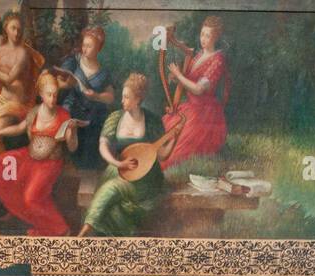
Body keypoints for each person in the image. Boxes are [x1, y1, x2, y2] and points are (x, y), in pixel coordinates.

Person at [79, 74, 174, 237]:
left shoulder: (151, 121)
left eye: (126, 97)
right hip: (119, 170)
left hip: (145, 179)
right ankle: (101, 236)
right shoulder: (115, 118)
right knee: (113, 194)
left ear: (138, 99)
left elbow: (163, 155)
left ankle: (85, 232)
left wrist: (174, 137)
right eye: (122, 96)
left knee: (112, 188)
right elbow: (103, 146)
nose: (122, 100)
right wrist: (118, 164)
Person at [0, 71, 78, 236]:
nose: (53, 99)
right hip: (29, 157)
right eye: (49, 95)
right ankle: (21, 213)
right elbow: (19, 128)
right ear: (41, 94)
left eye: (55, 95)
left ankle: (60, 228)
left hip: (50, 163)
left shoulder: (64, 115)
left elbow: (72, 148)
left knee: (31, 197)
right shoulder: (35, 112)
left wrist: (71, 135)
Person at [162, 15, 229, 169]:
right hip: (191, 108)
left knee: (175, 153)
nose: (203, 39)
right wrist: (177, 77)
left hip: (205, 114)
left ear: (216, 37)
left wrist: (179, 75)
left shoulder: (217, 60)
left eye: (208, 35)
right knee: (165, 133)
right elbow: (187, 82)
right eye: (202, 34)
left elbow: (198, 89)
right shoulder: (198, 55)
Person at [0, 11, 43, 150]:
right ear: (6, 29)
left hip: (15, 104)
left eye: (19, 29)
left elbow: (8, 79)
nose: (17, 32)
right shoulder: (0, 49)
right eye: (13, 28)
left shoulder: (23, 53)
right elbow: (1, 76)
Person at [58, 27, 114, 170]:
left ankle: (89, 170)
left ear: (98, 48)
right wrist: (66, 84)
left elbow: (110, 98)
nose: (85, 49)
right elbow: (57, 81)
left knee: (95, 132)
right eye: (84, 45)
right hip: (73, 105)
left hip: (94, 111)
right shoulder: (73, 62)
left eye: (89, 46)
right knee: (67, 120)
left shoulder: (104, 72)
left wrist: (96, 96)